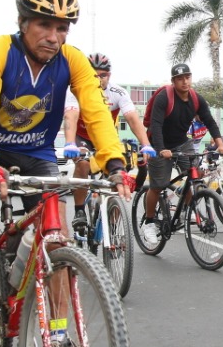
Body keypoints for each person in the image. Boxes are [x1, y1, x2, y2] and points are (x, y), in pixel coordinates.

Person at [0, 0, 129, 340]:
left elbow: (94, 108)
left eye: (62, 28)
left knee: (56, 239)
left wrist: (115, 163)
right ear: (23, 23)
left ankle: (59, 335)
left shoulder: (72, 60)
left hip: (36, 152)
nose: (53, 36)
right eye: (44, 24)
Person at [61, 52, 156, 232]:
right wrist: (70, 143)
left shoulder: (118, 92)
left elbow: (132, 119)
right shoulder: (75, 90)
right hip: (82, 137)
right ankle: (79, 210)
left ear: (109, 75)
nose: (98, 78)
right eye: (93, 74)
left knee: (117, 174)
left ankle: (112, 223)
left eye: (102, 75)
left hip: (104, 137)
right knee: (82, 165)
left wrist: (146, 144)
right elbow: (70, 117)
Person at [142, 63, 223, 241]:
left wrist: (220, 144)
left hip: (182, 143)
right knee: (157, 186)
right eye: (180, 79)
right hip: (159, 143)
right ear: (173, 81)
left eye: (187, 77)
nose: (184, 82)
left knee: (193, 179)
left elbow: (210, 122)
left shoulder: (197, 99)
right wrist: (161, 149)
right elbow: (155, 126)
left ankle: (189, 212)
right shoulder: (165, 97)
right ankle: (149, 222)